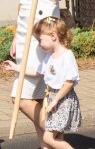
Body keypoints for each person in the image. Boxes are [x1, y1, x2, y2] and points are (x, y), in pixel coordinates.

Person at [9, 0, 66, 148]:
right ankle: (49, 143)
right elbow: (24, 0)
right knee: (37, 99)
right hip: (25, 32)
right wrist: (15, 36)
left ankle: (60, 136)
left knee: (20, 98)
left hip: (43, 32)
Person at [3, 17, 81, 149]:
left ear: (53, 36)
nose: (39, 44)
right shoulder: (49, 56)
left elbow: (69, 82)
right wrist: (16, 68)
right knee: (57, 136)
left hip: (63, 100)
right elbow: (37, 72)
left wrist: (55, 100)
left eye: (40, 40)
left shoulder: (67, 56)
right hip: (54, 98)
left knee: (48, 137)